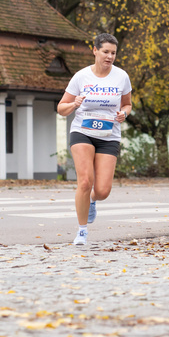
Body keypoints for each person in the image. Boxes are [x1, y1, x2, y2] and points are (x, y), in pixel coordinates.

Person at [57, 33, 132, 246]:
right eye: (105, 52)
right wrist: (74, 104)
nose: (109, 56)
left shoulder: (121, 76)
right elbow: (61, 108)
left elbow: (127, 104)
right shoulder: (81, 77)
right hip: (83, 131)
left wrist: (124, 114)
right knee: (85, 181)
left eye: (113, 53)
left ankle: (91, 200)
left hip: (109, 136)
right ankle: (82, 231)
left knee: (102, 191)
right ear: (95, 51)